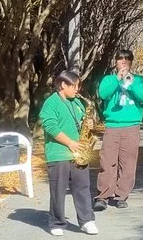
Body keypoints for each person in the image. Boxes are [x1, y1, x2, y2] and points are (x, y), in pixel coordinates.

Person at [39, 70, 98, 236]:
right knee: (58, 190)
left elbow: (82, 122)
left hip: (79, 152)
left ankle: (87, 220)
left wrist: (89, 123)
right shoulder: (51, 103)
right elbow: (50, 126)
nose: (77, 89)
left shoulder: (77, 102)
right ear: (63, 84)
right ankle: (56, 222)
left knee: (83, 187)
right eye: (74, 86)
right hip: (58, 153)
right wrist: (70, 143)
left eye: (78, 86)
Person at [94, 49, 143, 211]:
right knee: (107, 161)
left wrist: (130, 83)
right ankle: (103, 196)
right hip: (112, 126)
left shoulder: (139, 80)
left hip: (131, 126)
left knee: (128, 163)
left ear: (131, 62)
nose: (124, 61)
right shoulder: (109, 79)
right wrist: (117, 79)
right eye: (120, 58)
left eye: (127, 59)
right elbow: (103, 94)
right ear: (116, 61)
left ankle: (121, 195)